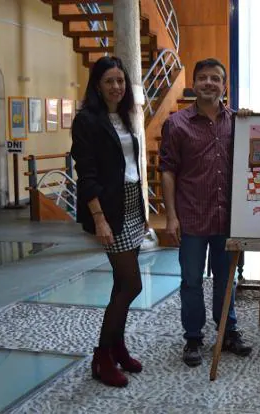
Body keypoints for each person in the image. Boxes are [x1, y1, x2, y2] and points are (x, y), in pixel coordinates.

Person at [159, 58, 252, 367]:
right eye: (203, 78)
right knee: (191, 281)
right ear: (194, 83)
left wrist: (253, 124)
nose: (209, 83)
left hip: (228, 219)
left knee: (227, 280)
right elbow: (168, 171)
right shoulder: (176, 124)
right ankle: (194, 338)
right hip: (192, 217)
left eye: (216, 78)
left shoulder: (238, 122)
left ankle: (228, 331)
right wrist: (171, 216)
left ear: (224, 85)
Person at [71, 56, 146, 387]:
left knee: (121, 285)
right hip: (109, 211)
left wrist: (142, 213)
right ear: (97, 86)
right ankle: (102, 357)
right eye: (109, 81)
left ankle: (117, 346)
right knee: (132, 284)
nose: (116, 87)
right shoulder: (87, 120)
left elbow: (132, 168)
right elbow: (86, 175)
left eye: (120, 81)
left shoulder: (127, 118)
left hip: (131, 206)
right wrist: (99, 219)